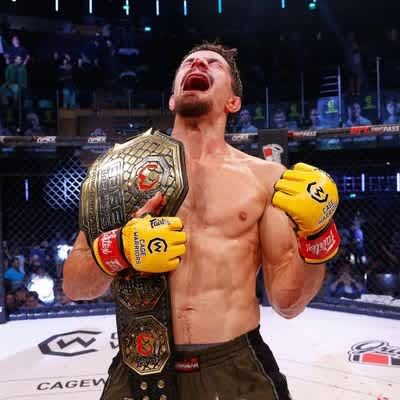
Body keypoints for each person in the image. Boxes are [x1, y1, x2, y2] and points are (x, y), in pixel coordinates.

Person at [63, 42, 340, 400]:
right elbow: (75, 285)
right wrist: (119, 249)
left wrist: (318, 236)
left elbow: (288, 303)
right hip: (142, 363)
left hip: (236, 366)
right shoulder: (121, 171)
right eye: (189, 62)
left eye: (213, 63)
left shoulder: (266, 179)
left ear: (233, 102)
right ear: (172, 99)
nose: (198, 64)